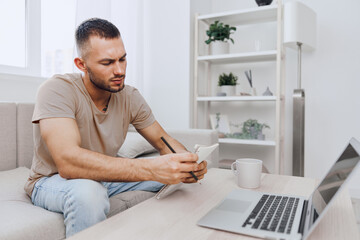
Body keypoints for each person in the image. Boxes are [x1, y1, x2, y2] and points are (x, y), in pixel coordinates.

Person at [24, 18, 207, 237]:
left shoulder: (130, 96)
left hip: (105, 177)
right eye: (107, 63)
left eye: (123, 59)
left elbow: (162, 141)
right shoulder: (56, 90)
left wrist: (185, 164)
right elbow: (68, 162)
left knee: (176, 179)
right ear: (82, 64)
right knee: (88, 193)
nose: (119, 70)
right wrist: (151, 169)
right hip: (53, 181)